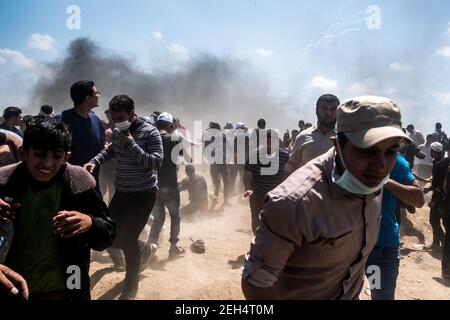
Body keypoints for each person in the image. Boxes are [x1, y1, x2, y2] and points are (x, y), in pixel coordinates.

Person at [242, 95, 410, 300]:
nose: (381, 165)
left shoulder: (373, 182)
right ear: (338, 144)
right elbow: (255, 286)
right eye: (367, 150)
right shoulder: (292, 204)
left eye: (391, 152)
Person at [0, 116, 115, 300]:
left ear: (66, 157)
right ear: (23, 153)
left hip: (70, 288)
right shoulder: (5, 183)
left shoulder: (80, 184)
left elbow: (108, 235)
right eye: (39, 154)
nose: (47, 163)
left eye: (56, 155)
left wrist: (91, 223)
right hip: (13, 288)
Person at [85, 95, 163, 300]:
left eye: (121, 117)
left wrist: (132, 145)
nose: (117, 122)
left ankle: (131, 284)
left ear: (132, 113)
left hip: (143, 194)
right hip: (122, 193)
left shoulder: (150, 132)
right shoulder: (118, 132)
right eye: (114, 118)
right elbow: (111, 150)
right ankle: (145, 248)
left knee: (127, 240)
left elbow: (155, 163)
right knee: (109, 236)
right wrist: (95, 161)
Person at [365, 153, 424, 300]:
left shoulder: (393, 159)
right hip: (344, 249)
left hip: (379, 249)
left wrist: (383, 180)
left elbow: (418, 199)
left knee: (379, 295)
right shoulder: (342, 152)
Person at [146, 112, 187, 260]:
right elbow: (184, 157)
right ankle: (173, 247)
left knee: (158, 219)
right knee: (175, 216)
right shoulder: (175, 139)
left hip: (154, 185)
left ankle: (151, 245)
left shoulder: (151, 138)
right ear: (170, 125)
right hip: (170, 185)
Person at [57, 81, 105, 187]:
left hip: (92, 182)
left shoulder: (95, 119)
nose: (99, 95)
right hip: (67, 184)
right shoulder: (60, 120)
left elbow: (101, 146)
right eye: (97, 93)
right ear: (88, 99)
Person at [243, 129, 289, 234]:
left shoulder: (285, 156)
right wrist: (247, 188)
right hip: (257, 194)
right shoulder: (255, 155)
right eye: (267, 142)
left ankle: (269, 244)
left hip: (276, 196)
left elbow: (288, 173)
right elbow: (247, 172)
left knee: (274, 221)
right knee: (256, 220)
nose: (269, 145)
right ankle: (257, 241)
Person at [284, 94, 340, 177]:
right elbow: (291, 166)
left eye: (333, 109)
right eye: (324, 109)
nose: (329, 113)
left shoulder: (344, 138)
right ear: (316, 110)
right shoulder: (302, 137)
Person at [424, 142, 446, 250]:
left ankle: (441, 242)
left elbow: (438, 185)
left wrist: (433, 200)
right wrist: (430, 187)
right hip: (445, 197)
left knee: (433, 220)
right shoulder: (445, 162)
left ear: (433, 152)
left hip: (439, 198)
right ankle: (437, 242)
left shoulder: (437, 164)